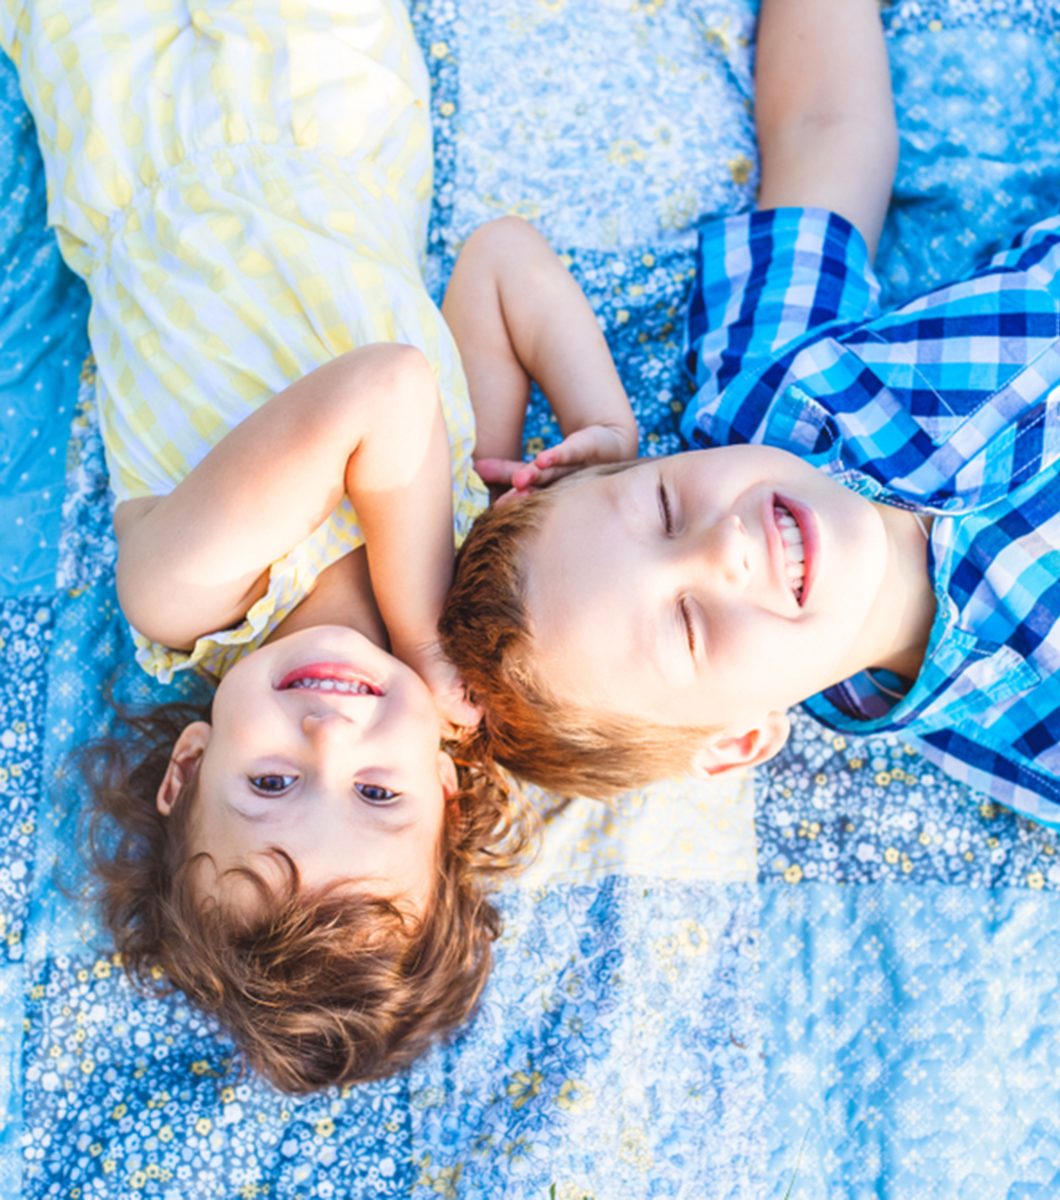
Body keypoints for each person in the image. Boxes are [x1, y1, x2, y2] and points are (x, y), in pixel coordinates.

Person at [1, 0, 633, 1091]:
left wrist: (428, 639)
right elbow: (498, 264)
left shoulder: (185, 595)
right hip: (327, 105)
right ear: (447, 782)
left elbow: (385, 390)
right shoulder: (462, 562)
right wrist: (604, 422)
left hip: (128, 125)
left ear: (189, 768)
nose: (332, 734)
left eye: (274, 782)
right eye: (380, 798)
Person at [440, 0, 1060, 848]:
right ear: (740, 740)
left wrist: (577, 436)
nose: (719, 549)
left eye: (660, 506)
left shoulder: (777, 396)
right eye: (687, 626)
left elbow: (826, 126)